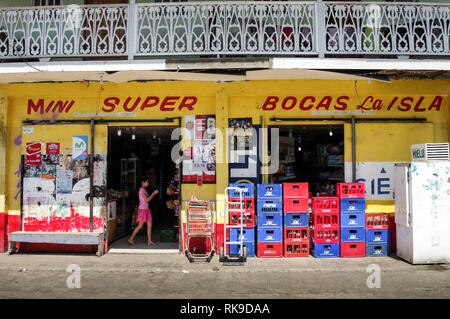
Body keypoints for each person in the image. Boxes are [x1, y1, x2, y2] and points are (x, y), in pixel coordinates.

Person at [128, 178, 159, 247]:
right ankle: (131, 239)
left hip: (146, 209)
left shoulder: (144, 190)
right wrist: (153, 193)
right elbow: (147, 200)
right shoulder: (141, 190)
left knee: (149, 225)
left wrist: (153, 194)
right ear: (143, 182)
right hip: (142, 210)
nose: (148, 183)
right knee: (140, 226)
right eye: (147, 182)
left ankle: (149, 241)